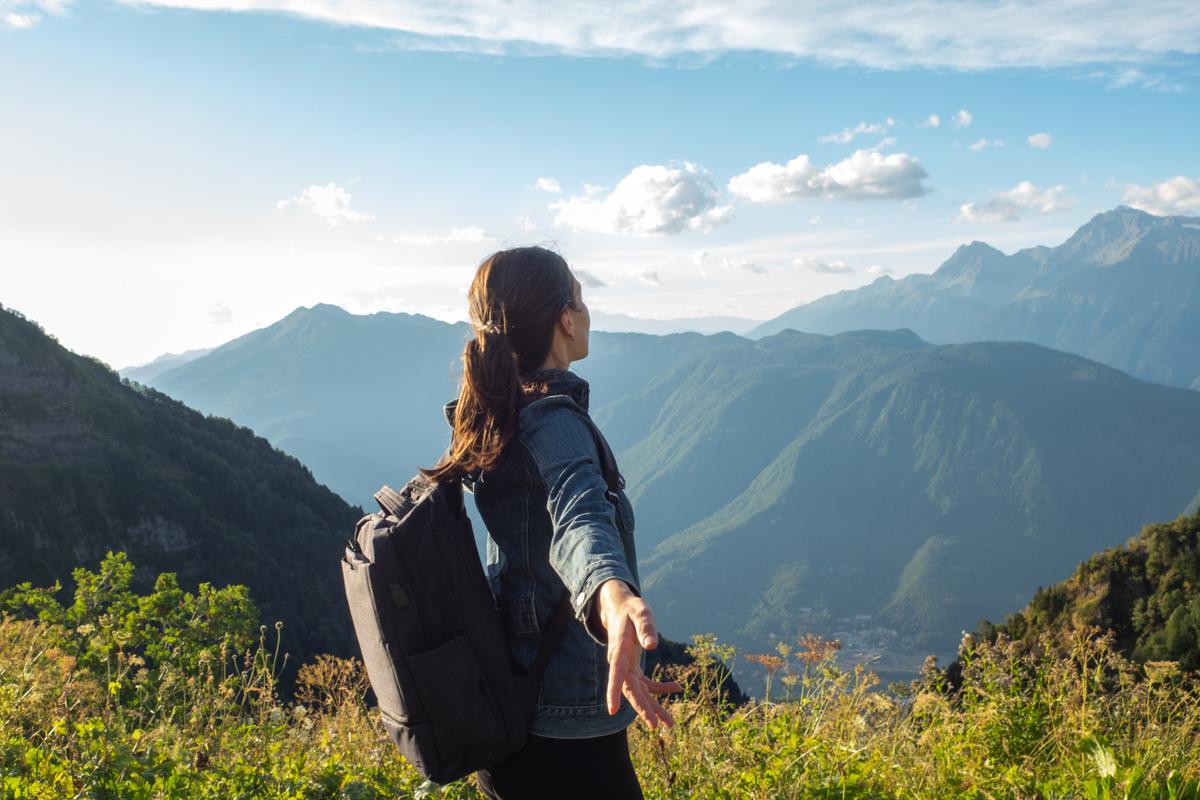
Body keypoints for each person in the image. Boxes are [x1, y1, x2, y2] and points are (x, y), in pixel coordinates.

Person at [420, 245, 680, 799]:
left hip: (513, 704)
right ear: (565, 318)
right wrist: (613, 596)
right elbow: (579, 513)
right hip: (567, 731)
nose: (586, 315)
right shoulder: (553, 424)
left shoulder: (494, 415)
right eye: (582, 303)